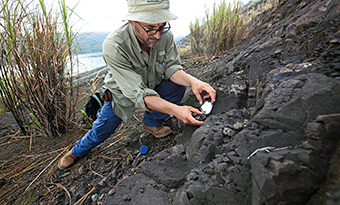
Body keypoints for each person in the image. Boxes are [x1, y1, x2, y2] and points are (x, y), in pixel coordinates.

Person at [58, 0, 216, 170]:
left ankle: (151, 124)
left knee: (177, 87)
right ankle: (76, 151)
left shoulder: (165, 36)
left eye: (162, 27)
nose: (157, 35)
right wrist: (177, 111)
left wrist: (194, 81)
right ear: (132, 22)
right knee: (101, 131)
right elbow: (138, 93)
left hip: (152, 85)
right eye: (150, 28)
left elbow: (171, 68)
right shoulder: (114, 45)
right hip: (122, 95)